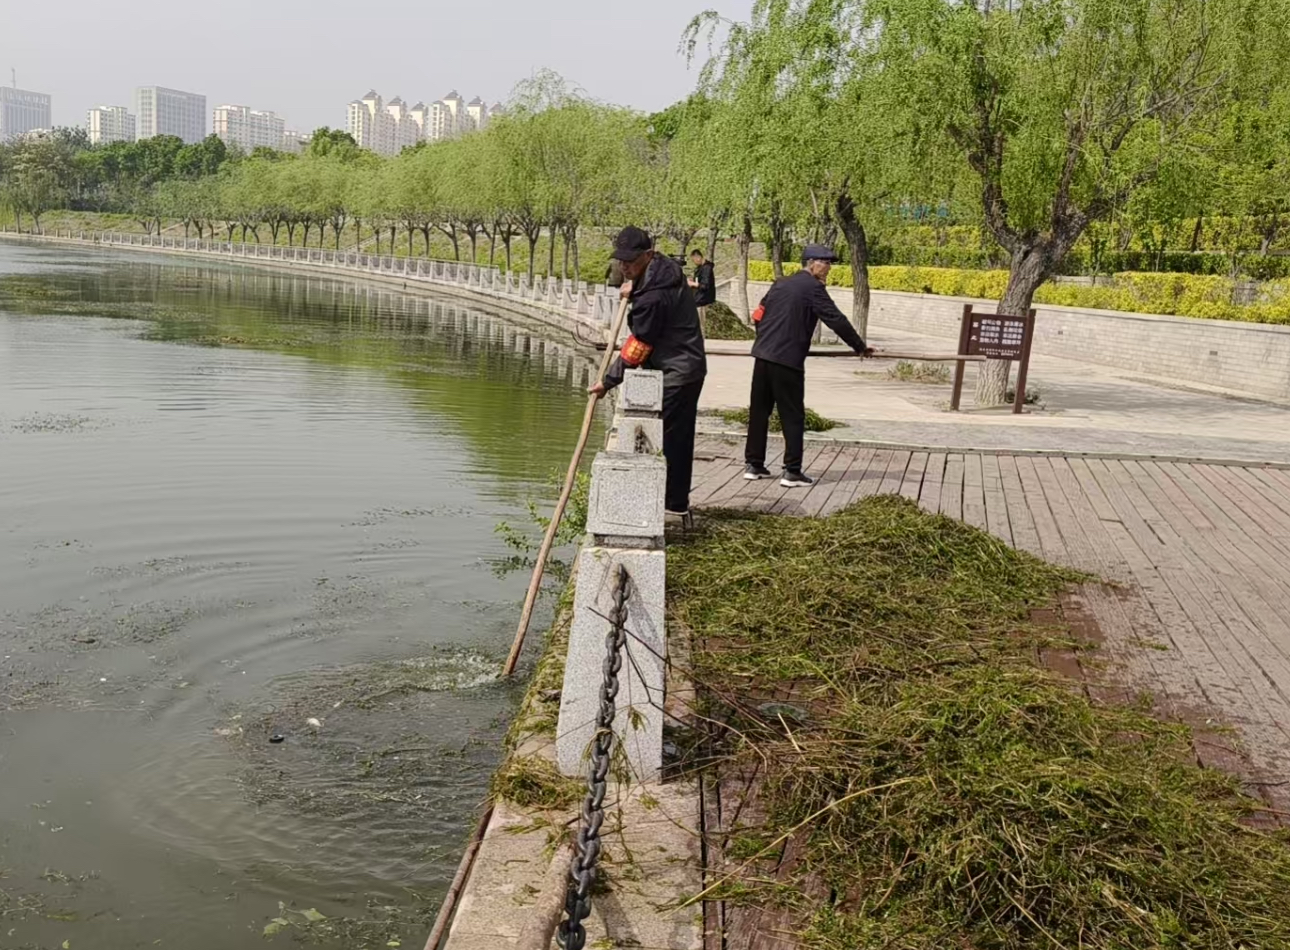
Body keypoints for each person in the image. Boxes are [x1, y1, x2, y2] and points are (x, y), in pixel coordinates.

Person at [590, 226, 708, 515]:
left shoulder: (653, 298)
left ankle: (668, 504)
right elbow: (648, 289)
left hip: (678, 372)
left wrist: (608, 381)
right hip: (685, 366)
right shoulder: (665, 269)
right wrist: (635, 288)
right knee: (677, 438)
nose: (625, 266)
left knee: (668, 440)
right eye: (621, 260)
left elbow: (640, 345)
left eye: (631, 261)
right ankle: (673, 502)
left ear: (648, 254)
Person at [743, 244, 874, 488]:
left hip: (762, 356)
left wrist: (765, 339)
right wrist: (859, 347)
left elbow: (758, 315)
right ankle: (792, 471)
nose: (829, 268)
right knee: (792, 415)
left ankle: (754, 464)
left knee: (759, 412)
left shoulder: (781, 283)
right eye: (826, 263)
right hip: (787, 360)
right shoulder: (813, 288)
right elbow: (836, 319)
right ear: (812, 263)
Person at [688, 249, 716, 325]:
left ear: (698, 258)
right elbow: (700, 281)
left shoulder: (707, 268)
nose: (694, 262)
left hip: (702, 301)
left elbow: (705, 286)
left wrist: (693, 284)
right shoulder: (700, 268)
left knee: (700, 324)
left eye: (693, 260)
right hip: (698, 299)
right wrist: (693, 280)